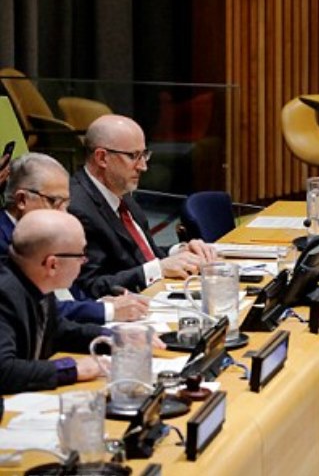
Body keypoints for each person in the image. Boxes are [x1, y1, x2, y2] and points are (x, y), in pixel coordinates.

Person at [68, 115, 217, 298]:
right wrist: (159, 269)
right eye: (134, 156)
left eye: (144, 155)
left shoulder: (120, 192)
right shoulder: (77, 208)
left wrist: (180, 251)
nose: (143, 166)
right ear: (102, 158)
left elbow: (142, 255)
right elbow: (91, 287)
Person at [1, 153, 148, 323]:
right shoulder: (5, 243)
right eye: (55, 202)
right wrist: (105, 310)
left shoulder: (43, 233)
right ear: (21, 200)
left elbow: (68, 294)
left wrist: (100, 303)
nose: (64, 213)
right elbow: (37, 309)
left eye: (66, 204)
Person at [0, 210, 107, 394]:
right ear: (52, 264)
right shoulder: (4, 293)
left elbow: (59, 331)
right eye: (80, 255)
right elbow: (4, 371)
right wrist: (72, 369)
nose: (84, 261)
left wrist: (116, 338)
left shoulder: (34, 280)